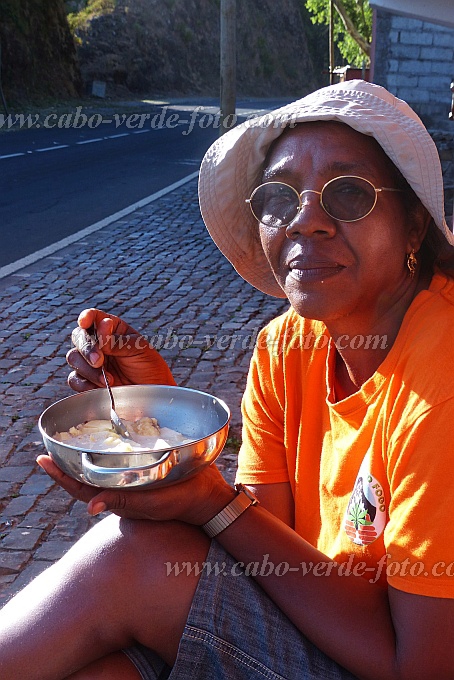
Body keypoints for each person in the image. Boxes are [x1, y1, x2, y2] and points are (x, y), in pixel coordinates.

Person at [1, 79, 454, 680]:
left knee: (134, 558)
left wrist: (210, 499)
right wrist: (162, 426)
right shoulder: (285, 347)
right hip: (326, 631)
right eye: (280, 196)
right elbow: (265, 550)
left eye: (348, 194)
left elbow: (419, 665)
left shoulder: (440, 384)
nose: (307, 220)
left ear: (414, 226)